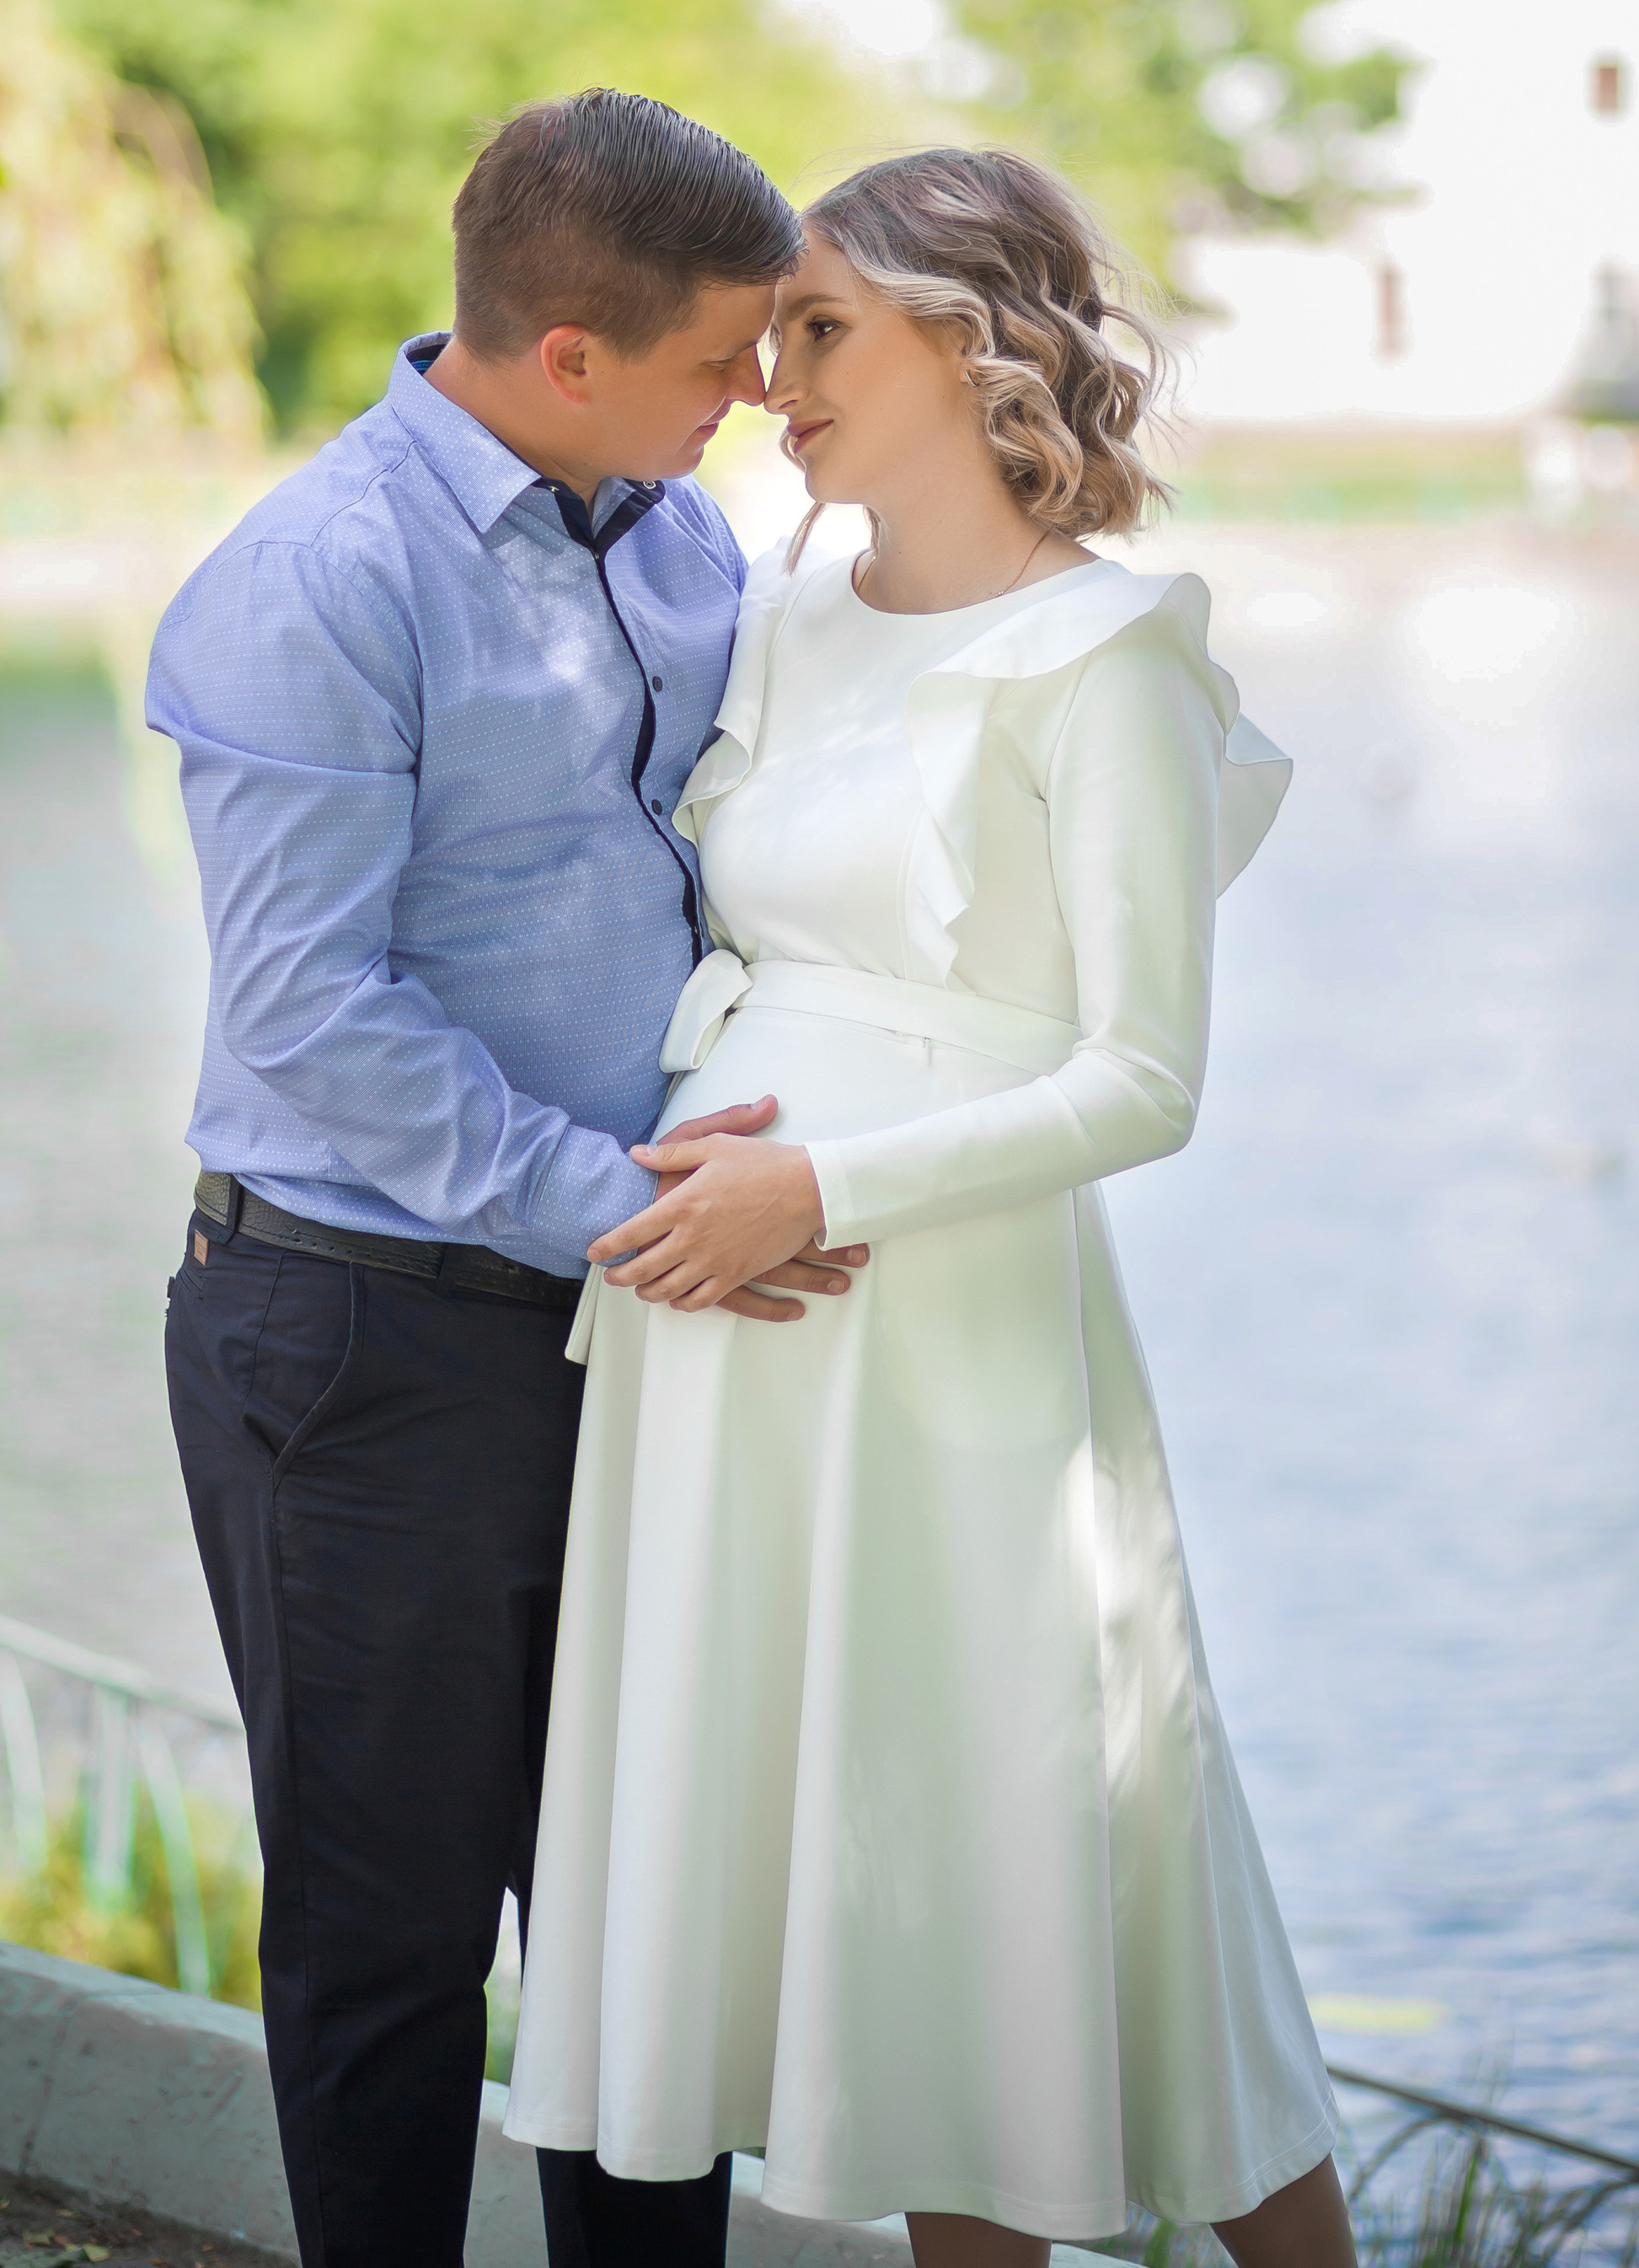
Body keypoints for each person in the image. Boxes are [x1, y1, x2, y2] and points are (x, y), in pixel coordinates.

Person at [506, 147, 1357, 2268]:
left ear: (971, 348)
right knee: (866, 1920)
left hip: (952, 1345)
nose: (763, 376)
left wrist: (817, 1185)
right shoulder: (774, 615)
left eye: (813, 329)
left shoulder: (1106, 657)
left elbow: (1141, 1079)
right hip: (718, 1355)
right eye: (768, 337)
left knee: (1037, 1865)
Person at [148, 88, 866, 2268]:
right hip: (360, 1346)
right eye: (723, 358)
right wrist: (627, 1216)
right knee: (387, 1958)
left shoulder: (673, 533)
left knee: (645, 1937)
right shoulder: (312, 587)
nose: (763, 395)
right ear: (570, 355)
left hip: (632, 1323)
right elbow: (318, 1020)